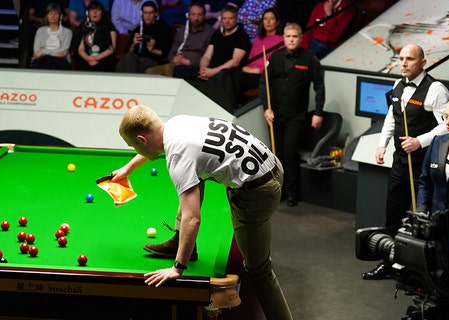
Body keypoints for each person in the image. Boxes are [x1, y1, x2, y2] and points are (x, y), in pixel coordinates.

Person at [112, 104, 293, 320]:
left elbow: (193, 218)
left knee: (259, 269)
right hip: (273, 166)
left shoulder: (178, 155)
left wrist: (178, 268)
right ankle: (178, 242)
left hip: (257, 193)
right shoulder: (177, 123)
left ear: (142, 139)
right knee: (195, 175)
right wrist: (128, 169)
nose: (135, 150)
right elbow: (168, 149)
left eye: (134, 146)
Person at [361, 43, 449, 280]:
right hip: (400, 161)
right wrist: (382, 144)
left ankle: (424, 271)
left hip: (426, 164)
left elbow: (448, 126)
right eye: (401, 59)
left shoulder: (436, 89)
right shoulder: (398, 84)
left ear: (423, 62)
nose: (403, 63)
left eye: (409, 59)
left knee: (423, 218)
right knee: (393, 213)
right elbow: (392, 117)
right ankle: (389, 263)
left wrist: (419, 141)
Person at [259, 22, 325, 207]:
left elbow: (319, 87)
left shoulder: (310, 59)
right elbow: (264, 83)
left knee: (289, 153)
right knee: (276, 154)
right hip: (275, 115)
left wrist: (318, 112)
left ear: (301, 38)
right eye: (288, 36)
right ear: (284, 37)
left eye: (295, 36)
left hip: (296, 116)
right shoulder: (275, 57)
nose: (291, 39)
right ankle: (277, 192)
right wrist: (266, 108)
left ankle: (291, 193)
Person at [220, 7, 283, 107]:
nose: (268, 21)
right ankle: (220, 105)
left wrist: (257, 70)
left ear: (277, 22)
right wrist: (247, 69)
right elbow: (250, 60)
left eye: (271, 19)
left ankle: (228, 107)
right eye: (265, 19)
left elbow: (277, 66)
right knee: (224, 73)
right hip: (249, 71)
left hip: (263, 75)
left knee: (234, 77)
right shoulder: (259, 39)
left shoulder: (282, 40)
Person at [172, 4, 250, 83]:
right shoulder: (217, 34)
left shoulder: (242, 36)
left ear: (236, 19)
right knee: (179, 70)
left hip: (227, 72)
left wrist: (213, 71)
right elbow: (207, 56)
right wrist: (203, 70)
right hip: (211, 68)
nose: (227, 21)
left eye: (230, 18)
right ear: (221, 20)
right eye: (224, 18)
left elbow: (235, 62)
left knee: (213, 79)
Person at [144, 1, 214, 77]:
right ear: (188, 15)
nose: (196, 18)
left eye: (199, 15)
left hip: (192, 66)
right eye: (193, 14)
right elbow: (172, 51)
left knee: (171, 69)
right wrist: (174, 59)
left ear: (204, 16)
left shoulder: (210, 32)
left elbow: (207, 56)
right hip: (175, 64)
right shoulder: (182, 29)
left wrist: (188, 62)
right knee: (149, 72)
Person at [115, 1, 172, 73]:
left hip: (153, 61)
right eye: (145, 13)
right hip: (135, 59)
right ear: (142, 14)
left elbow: (166, 53)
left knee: (124, 64)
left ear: (156, 14)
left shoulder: (164, 28)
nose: (147, 16)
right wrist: (133, 44)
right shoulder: (138, 29)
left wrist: (152, 50)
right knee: (126, 60)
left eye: (150, 13)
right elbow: (128, 53)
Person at [73, 0, 118, 72]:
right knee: (82, 67)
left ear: (102, 13)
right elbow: (80, 48)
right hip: (87, 59)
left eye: (98, 10)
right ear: (88, 13)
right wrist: (88, 58)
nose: (95, 12)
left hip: (104, 59)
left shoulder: (109, 26)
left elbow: (112, 49)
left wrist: (96, 58)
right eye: (92, 10)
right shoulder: (84, 26)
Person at [31, 3, 73, 69]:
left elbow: (63, 52)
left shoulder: (67, 32)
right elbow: (36, 51)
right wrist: (53, 53)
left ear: (60, 16)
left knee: (50, 62)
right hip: (42, 60)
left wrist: (43, 51)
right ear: (47, 16)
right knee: (44, 61)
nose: (53, 16)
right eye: (50, 14)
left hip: (59, 61)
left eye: (55, 14)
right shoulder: (40, 31)